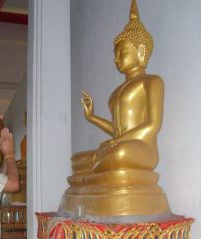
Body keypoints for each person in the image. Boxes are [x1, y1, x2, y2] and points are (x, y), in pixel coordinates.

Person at [58, 0, 170, 217]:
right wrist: (92, 117)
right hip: (116, 146)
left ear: (141, 50)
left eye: (122, 52)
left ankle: (92, 179)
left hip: (141, 149)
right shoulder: (117, 91)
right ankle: (93, 181)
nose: (116, 59)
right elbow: (117, 131)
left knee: (117, 153)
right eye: (115, 54)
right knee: (78, 159)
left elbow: (153, 125)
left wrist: (118, 142)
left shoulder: (152, 82)